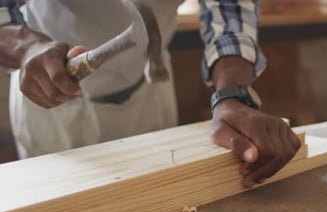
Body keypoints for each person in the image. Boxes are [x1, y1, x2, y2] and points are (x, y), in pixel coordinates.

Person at [0, 0, 300, 187]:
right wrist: (27, 47)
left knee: (152, 204)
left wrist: (232, 95)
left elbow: (230, 9)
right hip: (50, 97)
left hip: (148, 90)